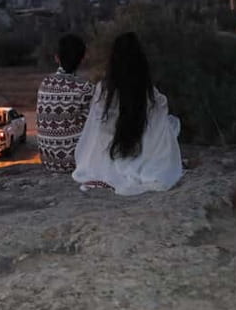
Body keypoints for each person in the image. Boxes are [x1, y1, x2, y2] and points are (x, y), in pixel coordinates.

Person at [72, 32, 183, 195]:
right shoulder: (149, 93)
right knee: (170, 125)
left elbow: (97, 129)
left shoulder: (103, 90)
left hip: (109, 155)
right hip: (142, 151)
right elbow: (158, 124)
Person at [36, 34, 95, 172]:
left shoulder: (45, 83)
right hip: (75, 162)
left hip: (48, 161)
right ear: (82, 58)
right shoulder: (85, 88)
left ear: (57, 58)